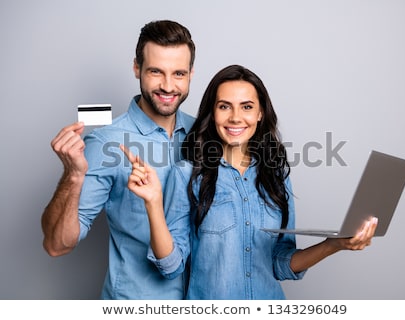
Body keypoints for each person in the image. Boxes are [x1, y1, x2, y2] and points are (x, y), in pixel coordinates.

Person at [122, 64, 378, 299]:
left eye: (246, 107)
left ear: (260, 114)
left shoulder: (275, 175)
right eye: (224, 106)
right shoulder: (187, 174)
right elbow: (171, 266)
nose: (235, 117)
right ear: (212, 113)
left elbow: (281, 263)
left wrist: (333, 244)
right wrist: (154, 204)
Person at [41, 20, 196, 299]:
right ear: (136, 68)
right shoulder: (106, 143)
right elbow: (57, 245)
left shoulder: (205, 134)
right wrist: (73, 177)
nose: (168, 85)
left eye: (179, 74)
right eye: (155, 72)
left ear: (191, 74)